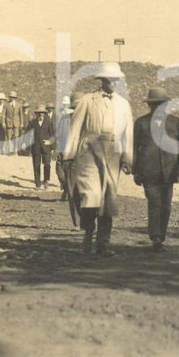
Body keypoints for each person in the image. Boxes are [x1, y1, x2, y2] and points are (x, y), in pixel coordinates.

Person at [64, 63, 134, 257]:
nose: (114, 83)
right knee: (90, 196)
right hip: (89, 152)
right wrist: (69, 155)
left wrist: (127, 159)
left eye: (116, 80)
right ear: (102, 81)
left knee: (108, 201)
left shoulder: (123, 104)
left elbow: (128, 134)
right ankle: (88, 233)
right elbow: (75, 129)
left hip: (112, 155)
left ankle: (103, 244)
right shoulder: (87, 100)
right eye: (110, 80)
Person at [133, 87, 179, 253]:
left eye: (161, 104)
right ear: (149, 105)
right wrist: (136, 171)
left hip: (169, 171)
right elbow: (135, 148)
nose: (157, 107)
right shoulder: (141, 123)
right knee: (154, 203)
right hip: (148, 171)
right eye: (154, 104)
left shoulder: (174, 122)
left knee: (166, 205)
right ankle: (156, 238)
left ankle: (161, 236)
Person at [58, 93, 83, 223]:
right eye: (75, 107)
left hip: (86, 159)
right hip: (70, 159)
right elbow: (60, 136)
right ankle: (78, 221)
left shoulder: (89, 119)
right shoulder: (64, 119)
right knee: (73, 192)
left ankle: (88, 219)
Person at [27, 104, 55, 189]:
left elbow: (53, 135)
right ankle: (38, 184)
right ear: (36, 114)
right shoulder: (33, 122)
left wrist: (50, 142)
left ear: (45, 113)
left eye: (42, 113)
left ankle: (46, 180)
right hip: (36, 147)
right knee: (36, 165)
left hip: (46, 147)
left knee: (47, 164)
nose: (41, 114)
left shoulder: (48, 122)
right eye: (39, 113)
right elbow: (27, 134)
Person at [3, 90, 21, 154]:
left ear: (15, 98)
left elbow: (20, 115)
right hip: (9, 123)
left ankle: (15, 149)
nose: (12, 98)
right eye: (11, 97)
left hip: (16, 123)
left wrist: (21, 123)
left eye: (13, 97)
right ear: (10, 97)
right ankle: (9, 150)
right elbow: (3, 114)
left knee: (16, 136)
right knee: (9, 136)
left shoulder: (19, 105)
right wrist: (3, 122)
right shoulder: (6, 105)